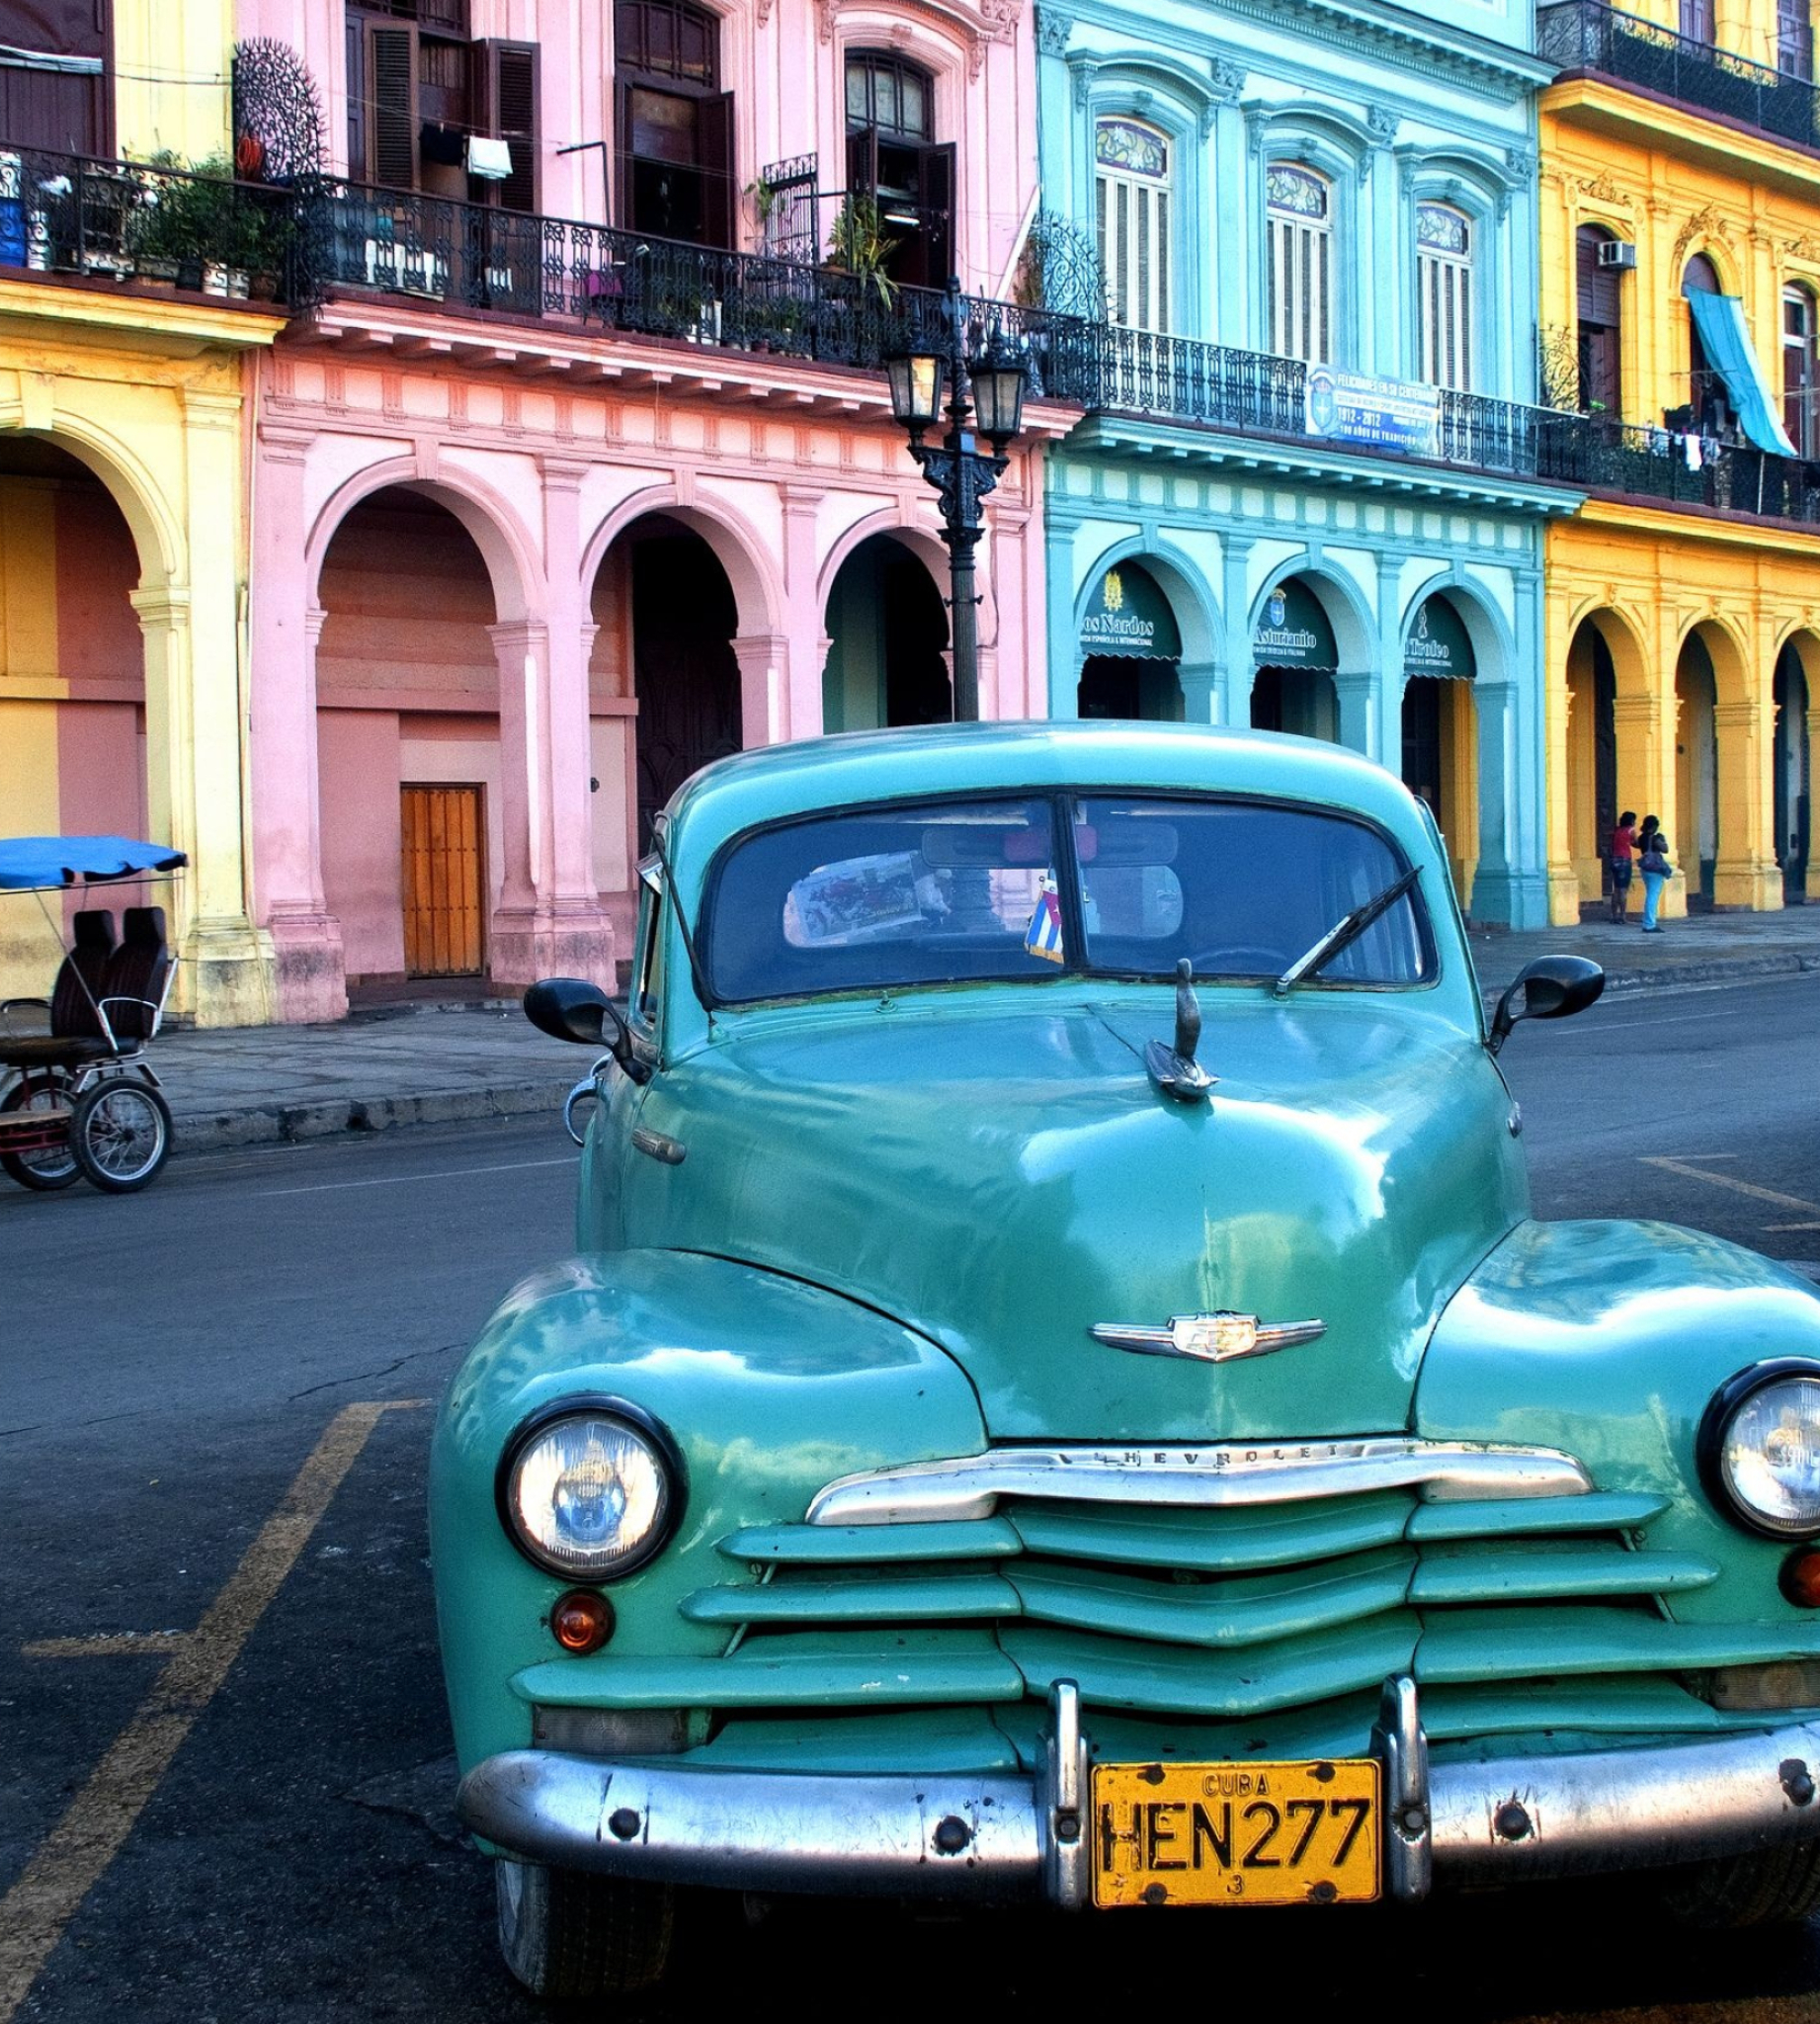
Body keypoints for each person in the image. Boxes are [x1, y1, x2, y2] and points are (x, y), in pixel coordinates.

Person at [1637, 815, 1673, 932]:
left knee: (1650, 895)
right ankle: (1649, 924)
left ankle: (1649, 922)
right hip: (1655, 869)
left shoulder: (1642, 837)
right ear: (1654, 826)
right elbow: (1665, 849)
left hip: (1645, 869)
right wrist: (1661, 840)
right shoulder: (1655, 838)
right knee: (1652, 896)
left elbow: (1636, 844)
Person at [1610, 808, 1637, 923]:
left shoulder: (1617, 830)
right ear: (1631, 821)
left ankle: (1613, 915)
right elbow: (1636, 843)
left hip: (1615, 860)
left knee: (1615, 889)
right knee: (1623, 890)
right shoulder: (1631, 830)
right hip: (1625, 860)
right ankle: (1623, 916)